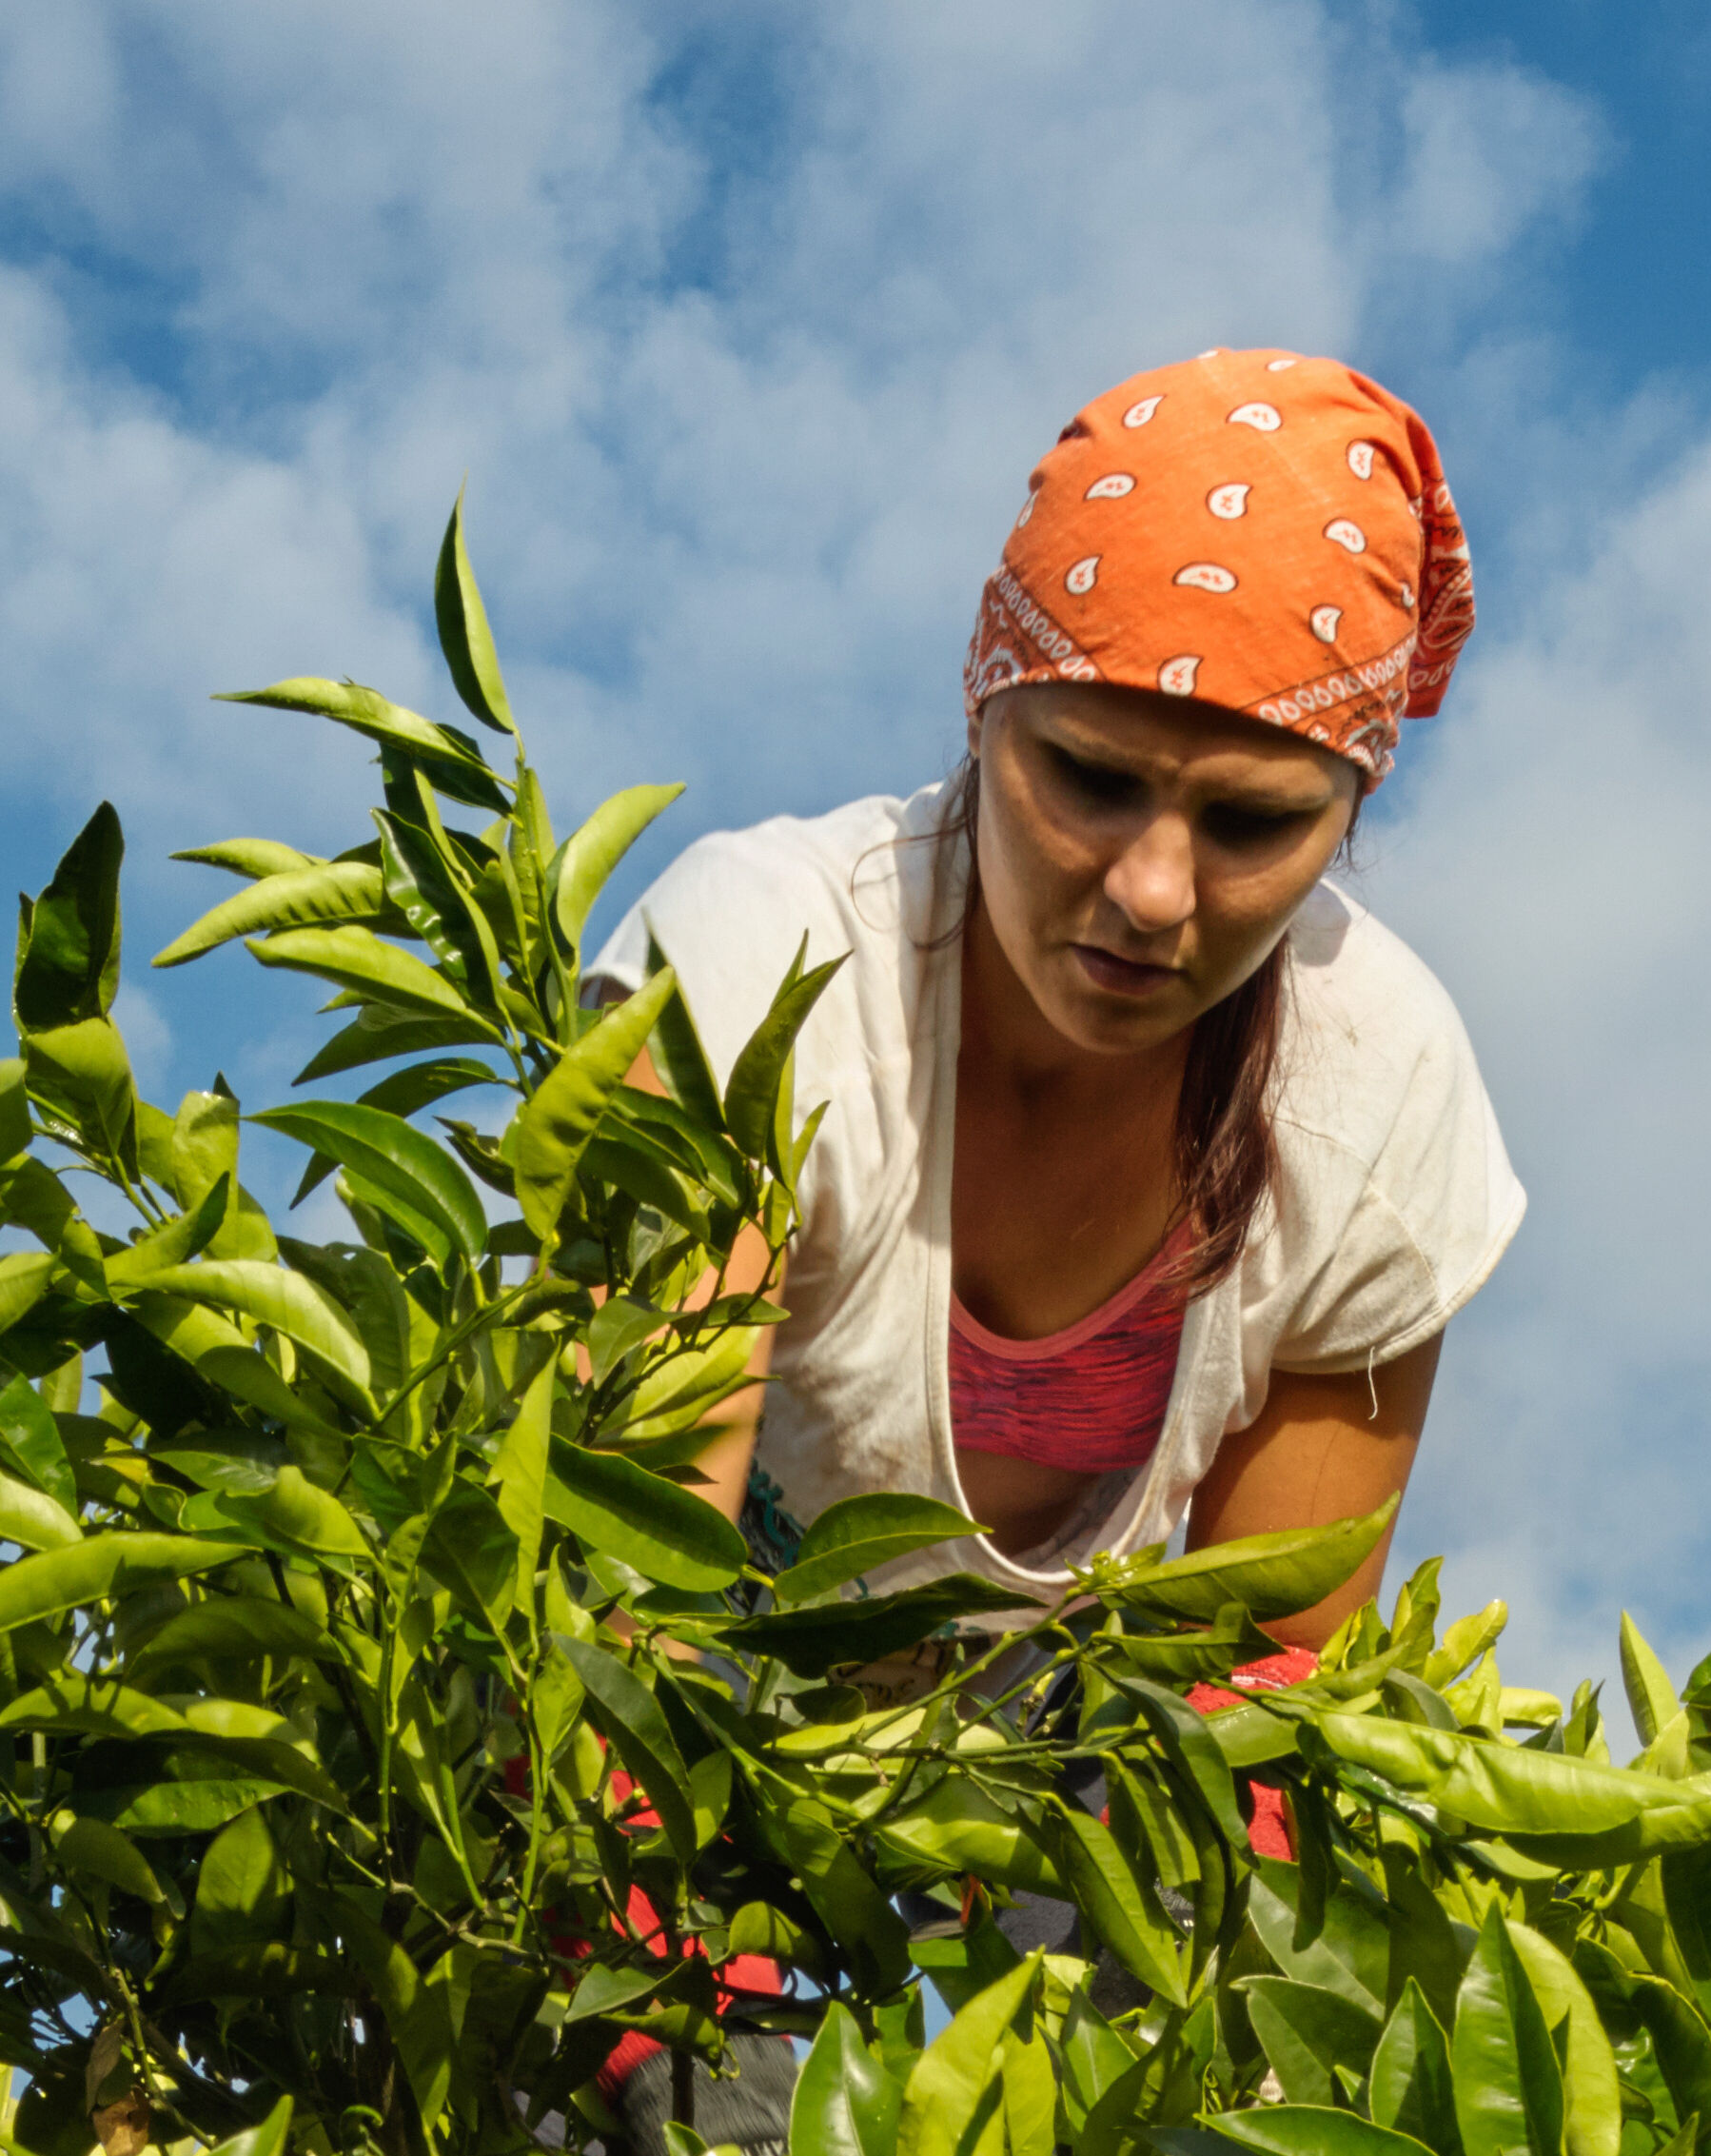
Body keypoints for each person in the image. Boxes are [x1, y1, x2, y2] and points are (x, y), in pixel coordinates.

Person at [612, 347, 1524, 1659]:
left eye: (1253, 820)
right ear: (985, 706)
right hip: (695, 1732)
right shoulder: (762, 971)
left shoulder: (1374, 1091)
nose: (1153, 892)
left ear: (1352, 816)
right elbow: (615, 1600)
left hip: (1061, 1810)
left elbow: (1261, 1687)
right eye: (1090, 780)